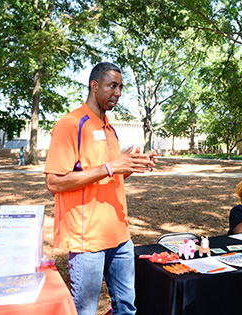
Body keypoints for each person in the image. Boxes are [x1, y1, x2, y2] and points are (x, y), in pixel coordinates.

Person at [44, 62, 156, 315]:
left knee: (126, 308)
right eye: (112, 86)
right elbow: (53, 183)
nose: (118, 92)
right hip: (88, 240)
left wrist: (132, 165)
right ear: (94, 86)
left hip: (120, 236)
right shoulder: (71, 124)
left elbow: (109, 176)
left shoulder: (108, 127)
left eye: (120, 87)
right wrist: (111, 166)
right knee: (85, 310)